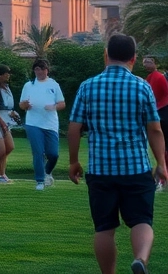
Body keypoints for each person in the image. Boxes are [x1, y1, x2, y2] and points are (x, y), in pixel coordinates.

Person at [68, 33, 168, 274]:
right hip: (135, 168)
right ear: (133, 59)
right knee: (141, 221)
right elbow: (154, 129)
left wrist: (73, 161)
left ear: (106, 55)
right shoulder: (142, 86)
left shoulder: (87, 86)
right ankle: (140, 260)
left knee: (104, 228)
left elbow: (74, 128)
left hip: (101, 170)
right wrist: (161, 163)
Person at [20, 58, 66, 191]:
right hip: (33, 123)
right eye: (37, 69)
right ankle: (40, 180)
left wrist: (53, 106)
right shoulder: (28, 85)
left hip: (50, 123)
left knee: (53, 154)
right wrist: (26, 105)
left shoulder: (53, 84)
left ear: (47, 70)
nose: (39, 72)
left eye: (42, 69)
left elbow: (62, 103)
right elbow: (21, 104)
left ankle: (47, 172)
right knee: (38, 152)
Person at [144, 56, 168, 123]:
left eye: (148, 62)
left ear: (154, 63)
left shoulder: (160, 77)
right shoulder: (150, 77)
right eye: (144, 63)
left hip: (162, 108)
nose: (146, 65)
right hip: (156, 107)